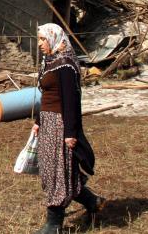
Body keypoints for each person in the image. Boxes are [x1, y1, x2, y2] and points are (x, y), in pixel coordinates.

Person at [32, 23, 104, 234]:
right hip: (48, 123)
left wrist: (71, 133)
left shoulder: (65, 65)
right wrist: (38, 121)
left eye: (43, 39)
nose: (39, 44)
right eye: (39, 39)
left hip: (61, 125)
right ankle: (93, 201)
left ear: (54, 39)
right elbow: (47, 96)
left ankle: (54, 225)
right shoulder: (51, 62)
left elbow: (71, 101)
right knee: (52, 170)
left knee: (58, 172)